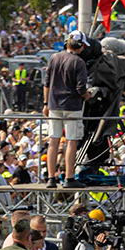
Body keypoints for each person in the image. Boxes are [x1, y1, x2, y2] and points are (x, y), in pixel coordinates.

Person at [44, 34, 89, 184]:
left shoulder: (54, 58)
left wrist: (45, 104)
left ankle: (51, 178)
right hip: (72, 105)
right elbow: (81, 88)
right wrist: (87, 95)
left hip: (53, 105)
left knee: (53, 140)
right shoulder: (79, 62)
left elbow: (46, 83)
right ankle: (69, 177)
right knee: (71, 141)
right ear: (81, 45)